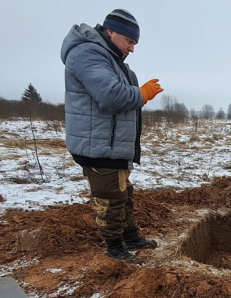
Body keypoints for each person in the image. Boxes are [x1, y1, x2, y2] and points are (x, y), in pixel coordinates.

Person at [61, 9, 164, 261]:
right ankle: (115, 247)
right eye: (129, 41)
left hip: (110, 145)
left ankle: (130, 236)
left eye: (134, 43)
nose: (131, 48)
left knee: (123, 194)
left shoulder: (111, 59)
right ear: (111, 31)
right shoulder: (88, 53)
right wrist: (142, 94)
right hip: (98, 146)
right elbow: (110, 95)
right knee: (111, 199)